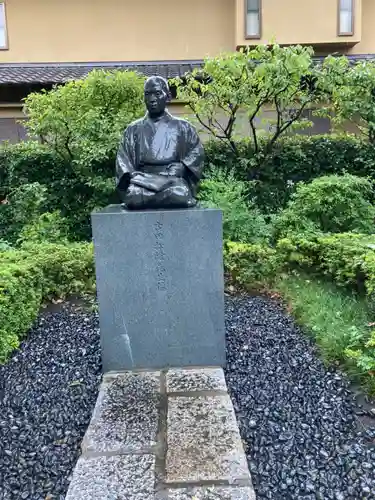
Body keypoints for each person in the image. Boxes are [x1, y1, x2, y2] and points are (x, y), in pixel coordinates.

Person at [116, 75, 204, 209]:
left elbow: (196, 152)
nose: (152, 99)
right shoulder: (133, 129)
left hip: (171, 180)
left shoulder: (183, 127)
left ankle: (151, 198)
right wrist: (133, 176)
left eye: (157, 93)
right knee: (133, 196)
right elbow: (123, 159)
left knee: (181, 193)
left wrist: (184, 167)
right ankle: (158, 197)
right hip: (143, 181)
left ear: (168, 96)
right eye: (147, 94)